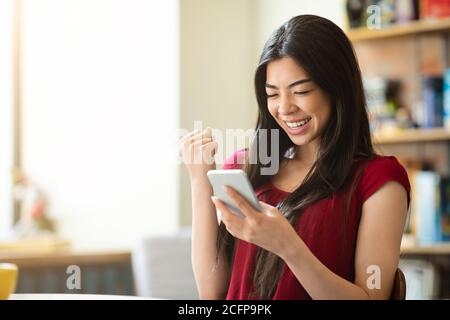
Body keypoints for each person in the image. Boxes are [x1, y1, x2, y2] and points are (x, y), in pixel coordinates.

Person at [179, 14, 410, 300]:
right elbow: (211, 293)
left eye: (300, 91)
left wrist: (289, 247)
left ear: (337, 88)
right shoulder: (244, 168)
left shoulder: (379, 181)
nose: (285, 108)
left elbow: (371, 296)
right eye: (272, 94)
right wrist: (201, 182)